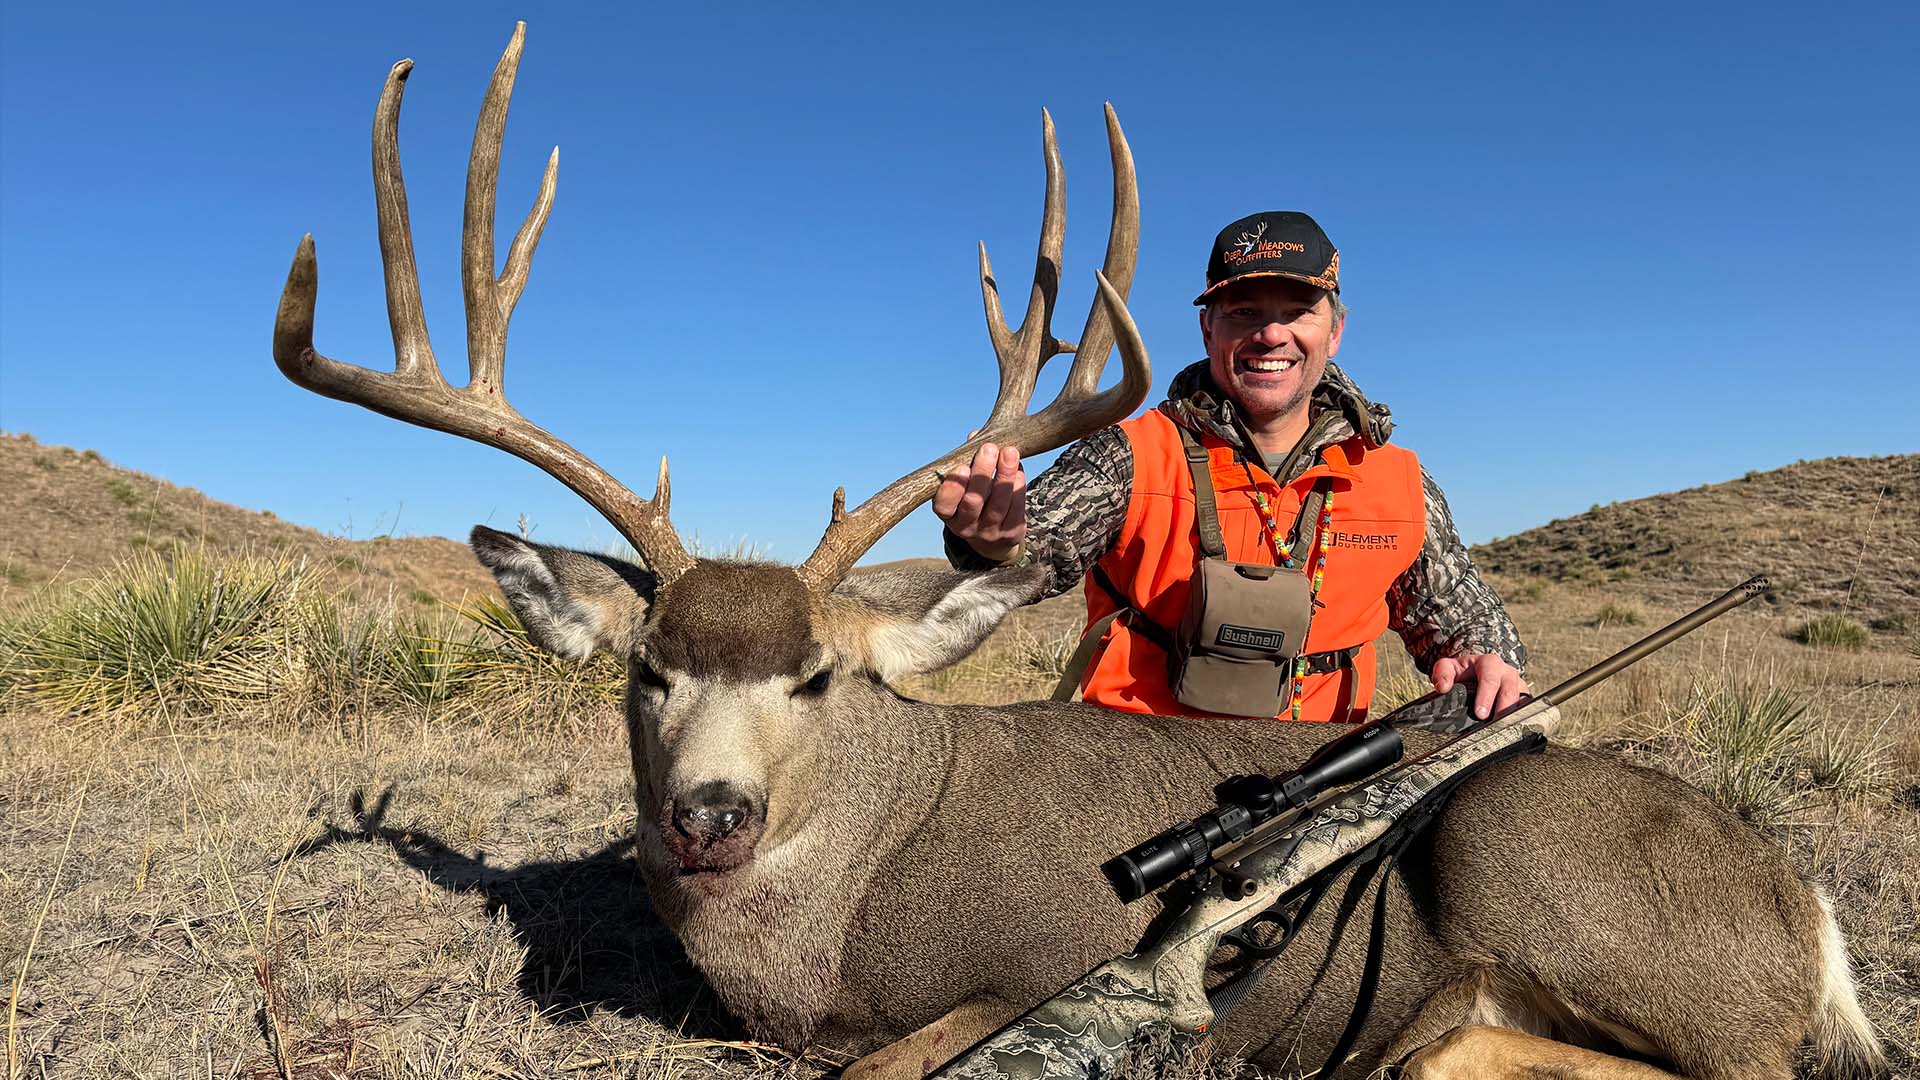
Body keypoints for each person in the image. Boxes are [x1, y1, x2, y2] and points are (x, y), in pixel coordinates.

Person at [935, 211, 1528, 724]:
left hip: (1319, 780)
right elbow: (1033, 551)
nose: (1272, 335)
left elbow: (1461, 614)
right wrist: (993, 541)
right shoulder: (1132, 454)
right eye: (1243, 312)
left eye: (1299, 312)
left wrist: (1486, 656)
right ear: (1207, 328)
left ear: (1335, 331)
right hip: (1132, 769)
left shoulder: (1397, 480)